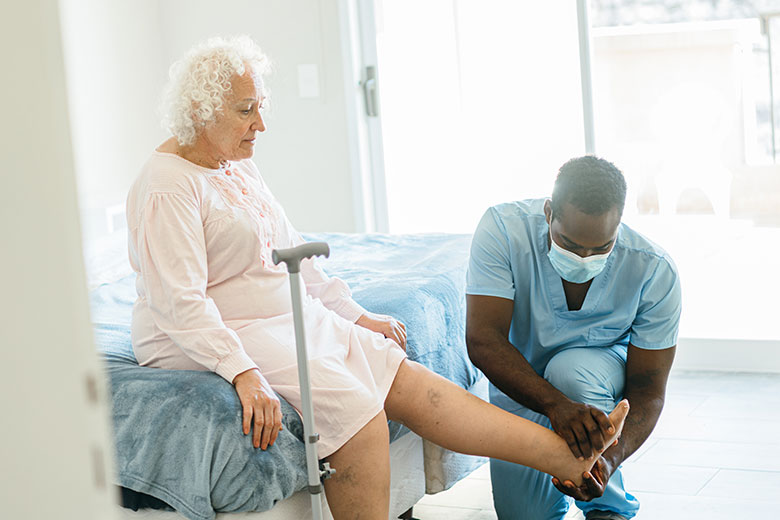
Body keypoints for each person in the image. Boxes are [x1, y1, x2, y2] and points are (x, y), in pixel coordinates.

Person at [127, 36, 629, 520]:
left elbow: (291, 252)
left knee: (401, 375)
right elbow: (180, 304)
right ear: (200, 111)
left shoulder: (232, 164)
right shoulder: (168, 188)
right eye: (245, 110)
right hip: (215, 331)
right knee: (356, 412)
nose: (261, 124)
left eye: (262, 106)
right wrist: (241, 371)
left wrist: (355, 315)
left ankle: (566, 458)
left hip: (276, 316)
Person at [465, 156, 681, 520]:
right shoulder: (503, 230)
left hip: (594, 377)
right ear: (549, 213)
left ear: (619, 226)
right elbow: (483, 339)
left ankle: (606, 508)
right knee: (525, 515)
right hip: (519, 385)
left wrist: (606, 462)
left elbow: (649, 386)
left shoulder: (653, 269)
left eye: (601, 248)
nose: (584, 258)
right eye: (569, 243)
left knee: (571, 370)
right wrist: (555, 406)